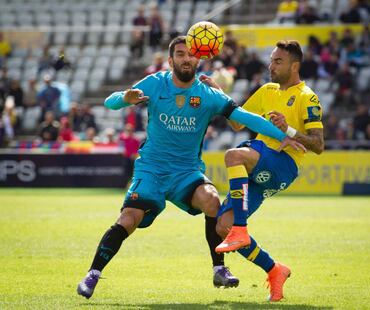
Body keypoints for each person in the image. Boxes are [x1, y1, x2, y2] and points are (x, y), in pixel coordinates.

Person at [77, 36, 304, 299]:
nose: (187, 59)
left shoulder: (207, 94)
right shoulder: (155, 83)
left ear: (198, 59)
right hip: (152, 169)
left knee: (211, 201)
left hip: (186, 172)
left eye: (191, 55)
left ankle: (219, 269)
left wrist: (282, 135)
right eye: (181, 54)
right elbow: (110, 102)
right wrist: (123, 98)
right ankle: (93, 274)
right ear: (171, 60)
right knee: (129, 219)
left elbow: (244, 117)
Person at [214, 40, 324, 302]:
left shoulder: (307, 96)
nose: (271, 65)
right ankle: (275, 270)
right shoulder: (266, 91)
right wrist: (219, 92)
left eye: (278, 61)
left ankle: (241, 228)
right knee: (222, 226)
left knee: (233, 155)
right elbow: (236, 124)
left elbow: (318, 145)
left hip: (284, 164)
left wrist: (289, 130)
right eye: (271, 60)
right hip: (262, 164)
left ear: (294, 66)